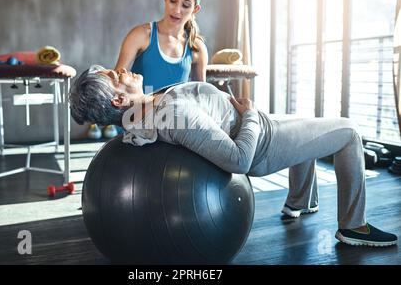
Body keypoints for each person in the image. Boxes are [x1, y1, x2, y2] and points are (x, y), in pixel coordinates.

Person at [69, 66, 398, 247]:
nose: (122, 69)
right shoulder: (173, 113)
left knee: (311, 123)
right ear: (117, 101)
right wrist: (252, 114)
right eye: (115, 76)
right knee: (349, 131)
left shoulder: (145, 112)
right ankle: (354, 227)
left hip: (260, 126)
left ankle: (298, 201)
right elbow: (239, 161)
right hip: (263, 143)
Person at [114, 0, 208, 93]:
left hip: (176, 111)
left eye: (185, 5)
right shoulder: (140, 35)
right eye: (173, 1)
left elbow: (201, 96)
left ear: (195, 9)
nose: (177, 10)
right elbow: (115, 85)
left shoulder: (197, 48)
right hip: (140, 110)